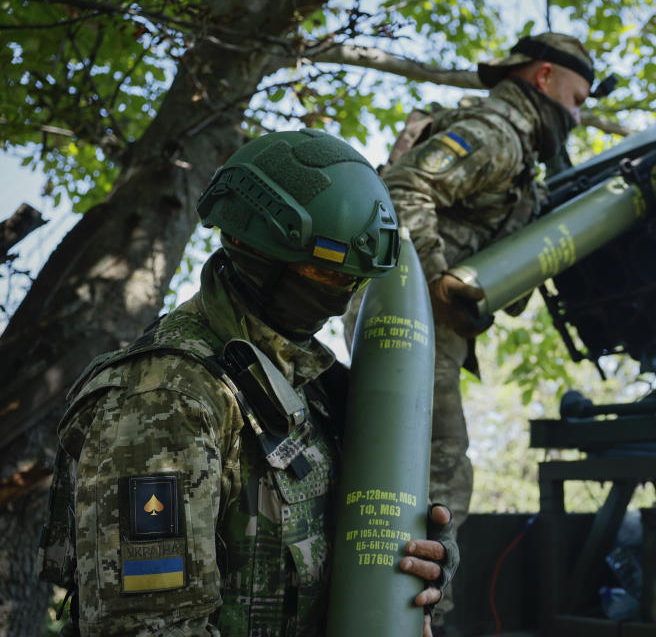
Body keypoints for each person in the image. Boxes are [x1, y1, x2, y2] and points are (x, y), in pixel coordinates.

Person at [38, 129, 458, 637]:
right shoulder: (165, 397)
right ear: (251, 247)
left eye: (355, 281)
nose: (341, 297)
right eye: (327, 275)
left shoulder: (316, 389)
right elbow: (148, 627)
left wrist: (418, 563)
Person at [343, 32, 596, 630]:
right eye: (578, 97)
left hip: (422, 328)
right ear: (543, 78)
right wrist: (435, 281)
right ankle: (420, 621)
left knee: (432, 472)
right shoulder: (496, 133)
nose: (579, 114)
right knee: (438, 474)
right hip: (409, 322)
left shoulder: (521, 155)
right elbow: (405, 188)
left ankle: (415, 616)